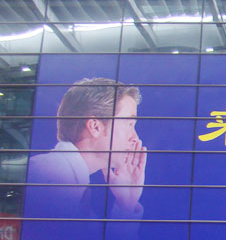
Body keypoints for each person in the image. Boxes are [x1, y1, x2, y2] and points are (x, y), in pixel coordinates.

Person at [26, 78, 146, 221]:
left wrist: (127, 203)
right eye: (129, 124)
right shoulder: (46, 176)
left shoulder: (64, 180)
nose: (135, 138)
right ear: (95, 127)